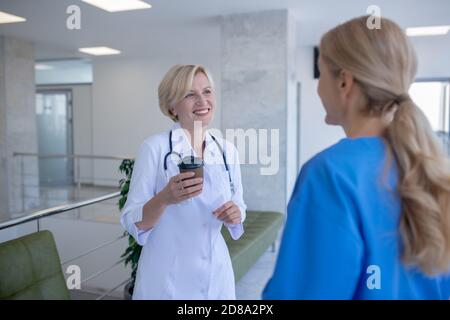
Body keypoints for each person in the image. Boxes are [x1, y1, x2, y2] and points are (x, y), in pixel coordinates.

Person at [263, 16, 450, 299]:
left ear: (344, 82)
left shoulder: (330, 174)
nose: (317, 87)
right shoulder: (431, 169)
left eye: (321, 73)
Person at [121, 64, 246, 299]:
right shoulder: (154, 148)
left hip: (216, 272)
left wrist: (236, 214)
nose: (202, 101)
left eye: (207, 91)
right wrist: (165, 198)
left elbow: (239, 203)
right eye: (190, 94)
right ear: (172, 106)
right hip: (167, 278)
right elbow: (132, 220)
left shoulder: (227, 150)